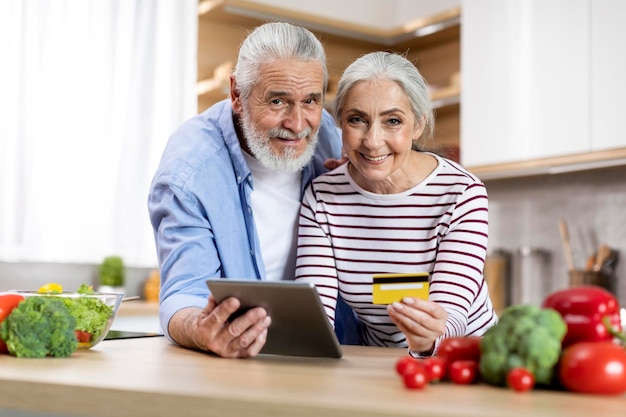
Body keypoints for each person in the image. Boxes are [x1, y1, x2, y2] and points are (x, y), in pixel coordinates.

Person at [147, 21, 357, 359]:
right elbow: (183, 292)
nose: (298, 124)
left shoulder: (329, 139)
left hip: (335, 353)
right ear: (236, 95)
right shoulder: (190, 170)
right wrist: (202, 330)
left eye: (311, 101)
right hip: (244, 361)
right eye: (278, 101)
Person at [295, 51, 497, 357]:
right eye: (357, 120)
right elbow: (315, 312)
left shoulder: (461, 193)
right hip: (380, 364)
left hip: (467, 358)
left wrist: (427, 338)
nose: (373, 141)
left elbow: (449, 316)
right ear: (340, 126)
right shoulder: (323, 197)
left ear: (418, 125)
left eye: (392, 121)